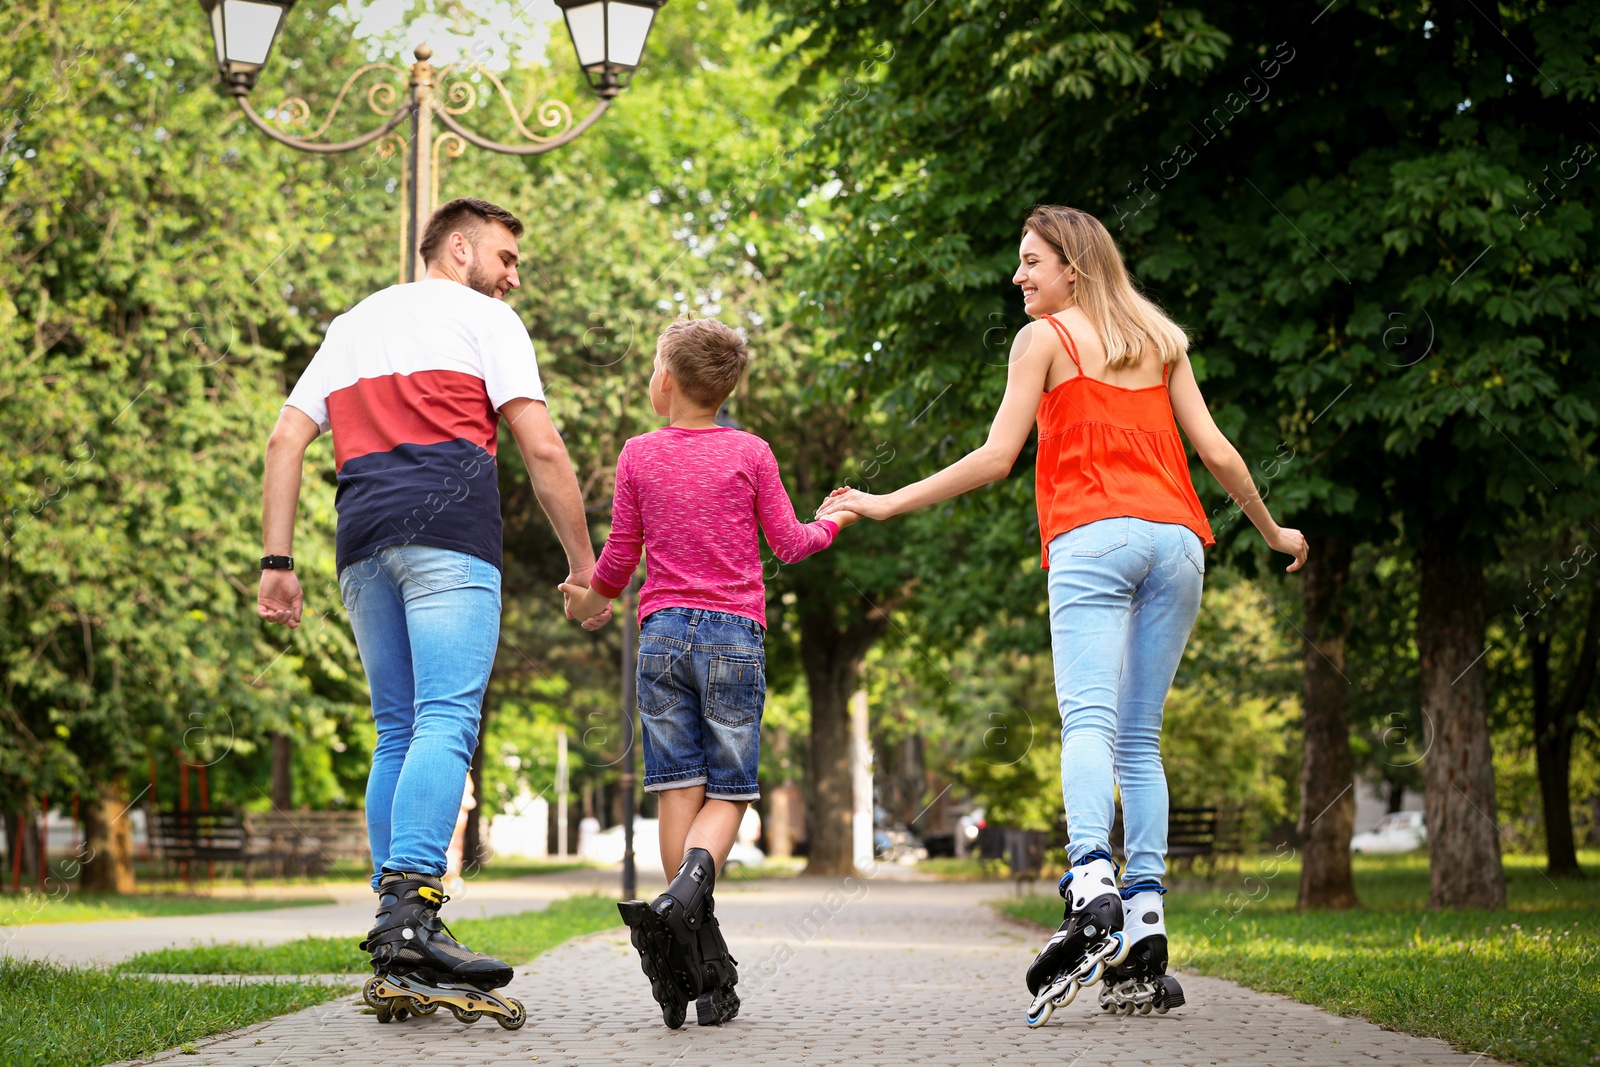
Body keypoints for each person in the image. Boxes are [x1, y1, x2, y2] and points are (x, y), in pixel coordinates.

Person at [817, 205, 1307, 1023]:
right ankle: (1145, 929)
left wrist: (884, 501)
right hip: (1181, 543)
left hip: (1093, 539)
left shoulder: (1045, 340)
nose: (1019, 276)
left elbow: (995, 458)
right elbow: (1217, 452)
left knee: (1086, 722)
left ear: (1072, 267)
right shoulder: (1161, 339)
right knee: (1139, 736)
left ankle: (1091, 883)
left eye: (1031, 261)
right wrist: (1273, 529)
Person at [257, 197, 607, 1027]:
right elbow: (543, 446)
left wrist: (277, 563)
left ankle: (395, 926)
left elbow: (284, 440)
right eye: (506, 257)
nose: (513, 276)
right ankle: (412, 910)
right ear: (458, 247)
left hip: (361, 543)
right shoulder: (484, 320)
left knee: (397, 727)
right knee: (446, 721)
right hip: (448, 538)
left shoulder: (350, 326)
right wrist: (586, 565)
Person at [561, 316, 857, 1030]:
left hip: (661, 637)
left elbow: (618, 559)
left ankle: (690, 955)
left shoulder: (637, 454)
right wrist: (834, 522)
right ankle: (685, 909)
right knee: (731, 791)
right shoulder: (752, 451)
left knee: (677, 791)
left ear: (665, 381)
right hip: (733, 636)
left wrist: (589, 596)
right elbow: (789, 542)